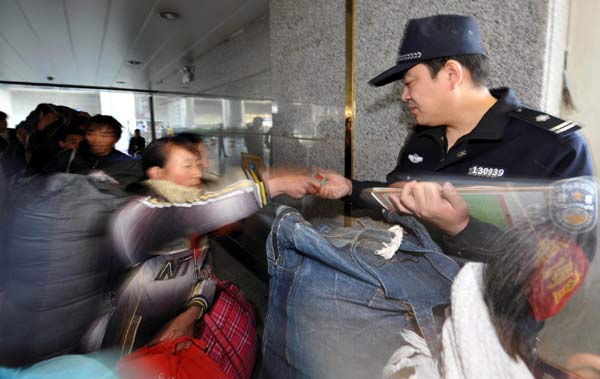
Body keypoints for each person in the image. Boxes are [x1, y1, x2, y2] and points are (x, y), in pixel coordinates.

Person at [317, 15, 593, 250]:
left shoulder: (556, 147)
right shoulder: (424, 138)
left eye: (410, 82)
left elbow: (568, 266)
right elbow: (404, 200)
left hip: (487, 309)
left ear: (451, 74)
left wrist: (462, 227)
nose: (404, 96)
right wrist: (351, 188)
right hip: (406, 295)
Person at [45, 114, 130, 174]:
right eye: (91, 134)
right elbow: (46, 181)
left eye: (104, 135)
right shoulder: (68, 157)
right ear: (85, 135)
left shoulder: (127, 163)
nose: (97, 140)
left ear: (116, 138)